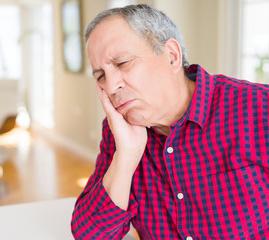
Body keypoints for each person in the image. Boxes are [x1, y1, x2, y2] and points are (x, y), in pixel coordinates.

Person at [71, 4, 269, 240]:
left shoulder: (259, 108)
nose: (112, 87)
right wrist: (126, 156)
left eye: (122, 63)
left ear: (172, 56)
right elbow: (91, 236)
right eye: (101, 76)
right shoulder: (119, 130)